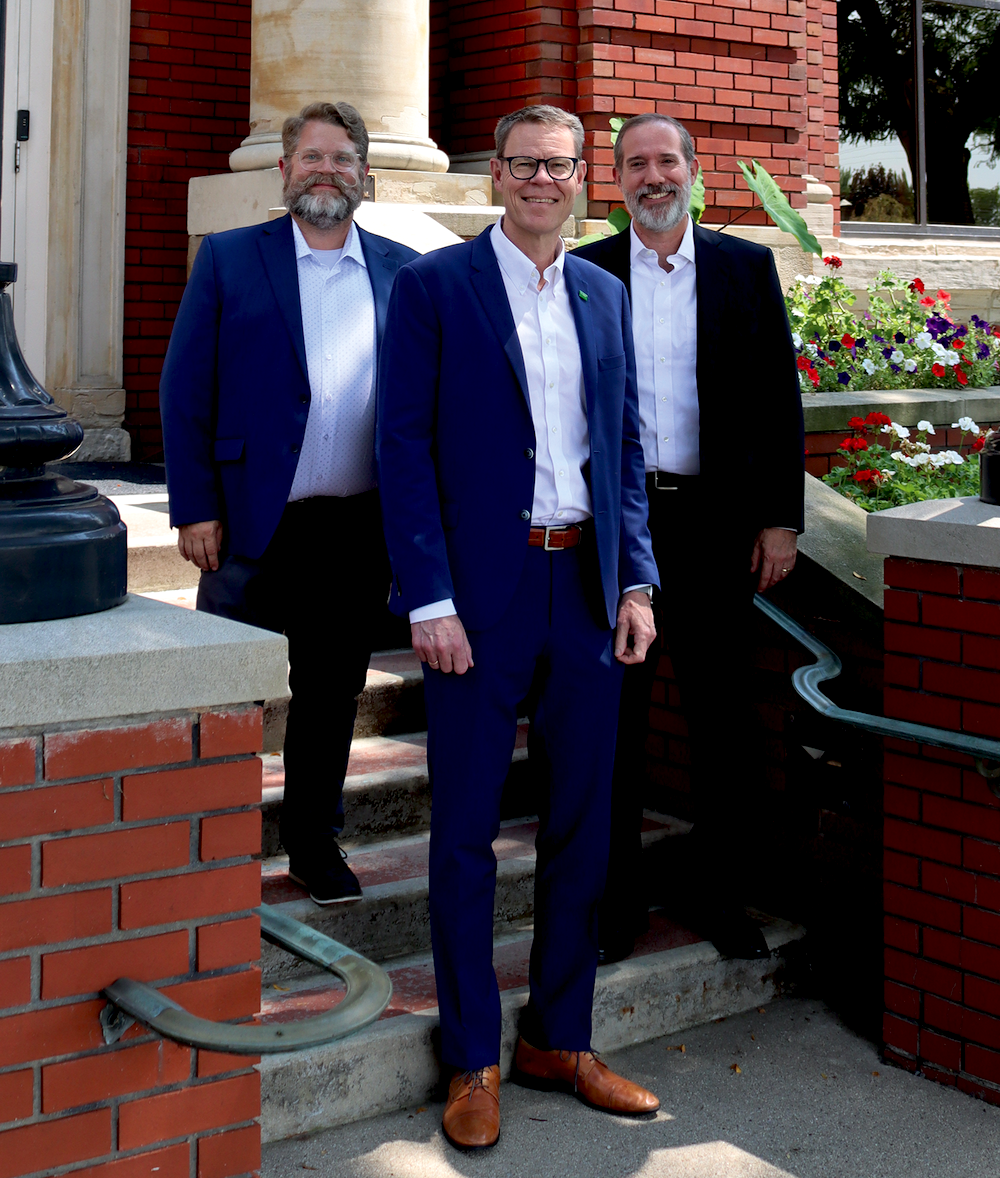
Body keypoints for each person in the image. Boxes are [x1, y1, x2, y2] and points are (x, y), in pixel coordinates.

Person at [376, 105, 662, 1152]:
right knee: (462, 834)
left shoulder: (600, 291)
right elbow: (401, 449)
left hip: (582, 594)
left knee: (584, 828)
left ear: (582, 179)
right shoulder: (434, 288)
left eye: (560, 165)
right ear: (495, 176)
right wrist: (430, 600)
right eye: (525, 164)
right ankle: (473, 1055)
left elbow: (622, 448)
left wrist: (636, 582)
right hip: (479, 604)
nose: (543, 180)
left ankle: (559, 1035)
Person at [160, 101, 418, 905]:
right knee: (226, 692)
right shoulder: (231, 260)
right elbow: (185, 391)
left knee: (332, 692)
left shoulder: (405, 272)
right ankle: (206, 847)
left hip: (353, 528)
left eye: (344, 159)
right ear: (283, 171)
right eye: (312, 157)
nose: (327, 171)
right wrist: (195, 506)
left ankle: (313, 842)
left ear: (365, 177)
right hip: (247, 523)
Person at [574, 113, 804, 963]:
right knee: (615, 726)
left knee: (722, 725)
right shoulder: (587, 272)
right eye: (635, 164)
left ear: (693, 171)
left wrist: (779, 517)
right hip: (622, 528)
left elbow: (779, 398)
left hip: (716, 528)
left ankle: (722, 899)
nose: (651, 176)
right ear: (618, 181)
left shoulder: (746, 267)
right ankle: (616, 908)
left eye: (665, 160)